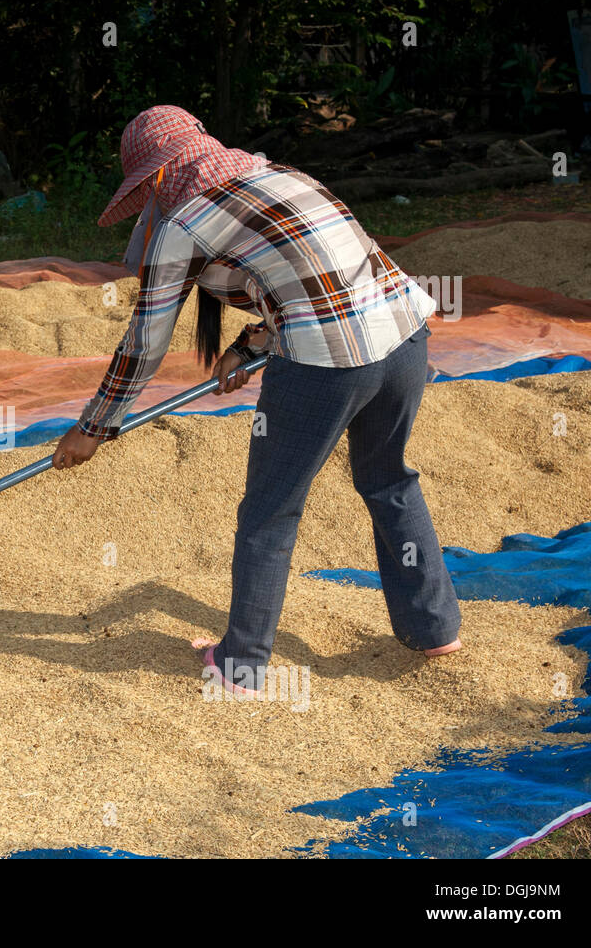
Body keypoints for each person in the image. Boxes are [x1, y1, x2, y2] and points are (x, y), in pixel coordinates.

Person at [50, 105, 462, 695]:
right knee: (388, 480)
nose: (148, 204)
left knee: (270, 510)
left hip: (327, 364)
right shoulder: (287, 177)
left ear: (161, 176)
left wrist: (95, 427)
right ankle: (434, 628)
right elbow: (320, 276)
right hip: (405, 339)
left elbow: (145, 343)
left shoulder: (184, 226)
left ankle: (240, 664)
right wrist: (249, 345)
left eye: (146, 191)